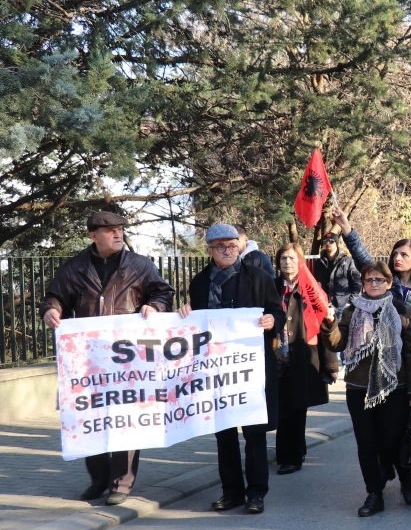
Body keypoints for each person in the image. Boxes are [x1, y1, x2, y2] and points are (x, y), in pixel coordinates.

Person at [40, 211, 175, 505]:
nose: (118, 234)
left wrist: (155, 305)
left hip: (130, 359)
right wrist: (52, 309)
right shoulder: (74, 268)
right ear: (92, 236)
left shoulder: (140, 265)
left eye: (120, 230)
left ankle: (121, 485)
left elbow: (163, 293)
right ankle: (99, 479)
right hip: (89, 358)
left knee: (127, 418)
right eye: (110, 230)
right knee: (91, 417)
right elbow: (55, 297)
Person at [180, 224, 284, 514]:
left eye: (232, 245)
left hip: (250, 370)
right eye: (221, 247)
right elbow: (196, 323)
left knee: (254, 433)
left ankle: (256, 494)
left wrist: (271, 321)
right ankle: (231, 492)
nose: (227, 251)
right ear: (209, 249)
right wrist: (185, 313)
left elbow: (277, 311)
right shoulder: (200, 282)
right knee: (224, 434)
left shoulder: (259, 277)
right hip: (216, 371)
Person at [320, 260, 411, 517]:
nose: (373, 284)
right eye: (368, 280)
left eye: (379, 280)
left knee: (392, 439)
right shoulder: (352, 310)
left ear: (389, 283)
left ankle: (406, 477)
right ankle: (374, 493)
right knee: (366, 443)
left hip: (394, 387)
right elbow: (337, 344)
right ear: (363, 283)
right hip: (358, 388)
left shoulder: (400, 310)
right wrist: (330, 325)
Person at [330, 206, 411, 388]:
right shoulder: (383, 282)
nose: (398, 257)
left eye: (404, 255)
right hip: (375, 360)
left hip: (407, 362)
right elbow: (362, 256)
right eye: (395, 253)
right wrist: (346, 228)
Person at [273, 244, 339, 475]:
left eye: (291, 258)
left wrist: (331, 364)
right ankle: (287, 453)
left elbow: (325, 326)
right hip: (277, 357)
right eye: (283, 258)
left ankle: (292, 456)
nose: (287, 262)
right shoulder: (272, 288)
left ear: (300, 261)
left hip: (302, 356)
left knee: (297, 407)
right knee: (281, 408)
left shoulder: (311, 289)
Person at [312, 230, 361, 315]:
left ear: (336, 243)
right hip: (324, 305)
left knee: (341, 328)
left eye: (331, 241)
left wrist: (350, 301)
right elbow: (316, 283)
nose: (328, 243)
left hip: (342, 305)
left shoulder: (347, 261)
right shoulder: (319, 262)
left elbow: (357, 283)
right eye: (325, 241)